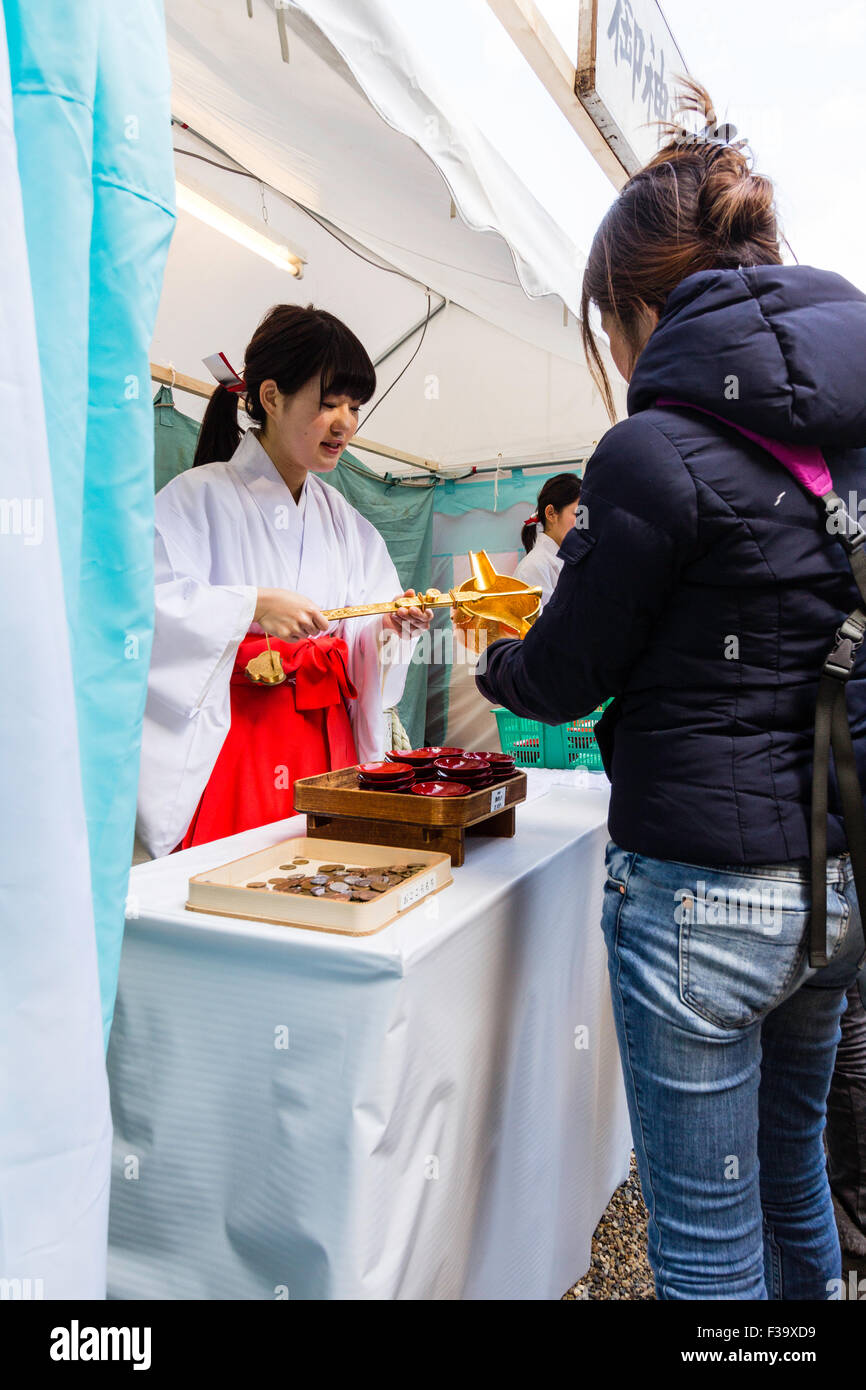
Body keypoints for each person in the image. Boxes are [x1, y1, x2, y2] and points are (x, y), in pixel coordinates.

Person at [476, 76, 866, 1299]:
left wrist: (498, 656)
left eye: (607, 328)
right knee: (791, 1169)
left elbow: (566, 673)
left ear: (641, 309)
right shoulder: (847, 444)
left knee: (702, 1241)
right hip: (831, 883)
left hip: (701, 895)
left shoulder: (650, 451)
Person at [137, 304, 431, 859]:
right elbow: (145, 610)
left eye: (354, 405)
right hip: (240, 741)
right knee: (244, 888)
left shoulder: (347, 522)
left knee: (328, 877)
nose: (345, 421)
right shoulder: (195, 497)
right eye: (328, 403)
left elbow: (364, 630)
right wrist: (251, 606)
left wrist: (388, 627)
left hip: (329, 741)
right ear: (270, 397)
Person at [515, 473, 582, 608]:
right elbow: (545, 627)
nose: (583, 524)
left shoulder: (570, 562)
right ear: (551, 513)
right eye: (577, 514)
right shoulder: (533, 568)